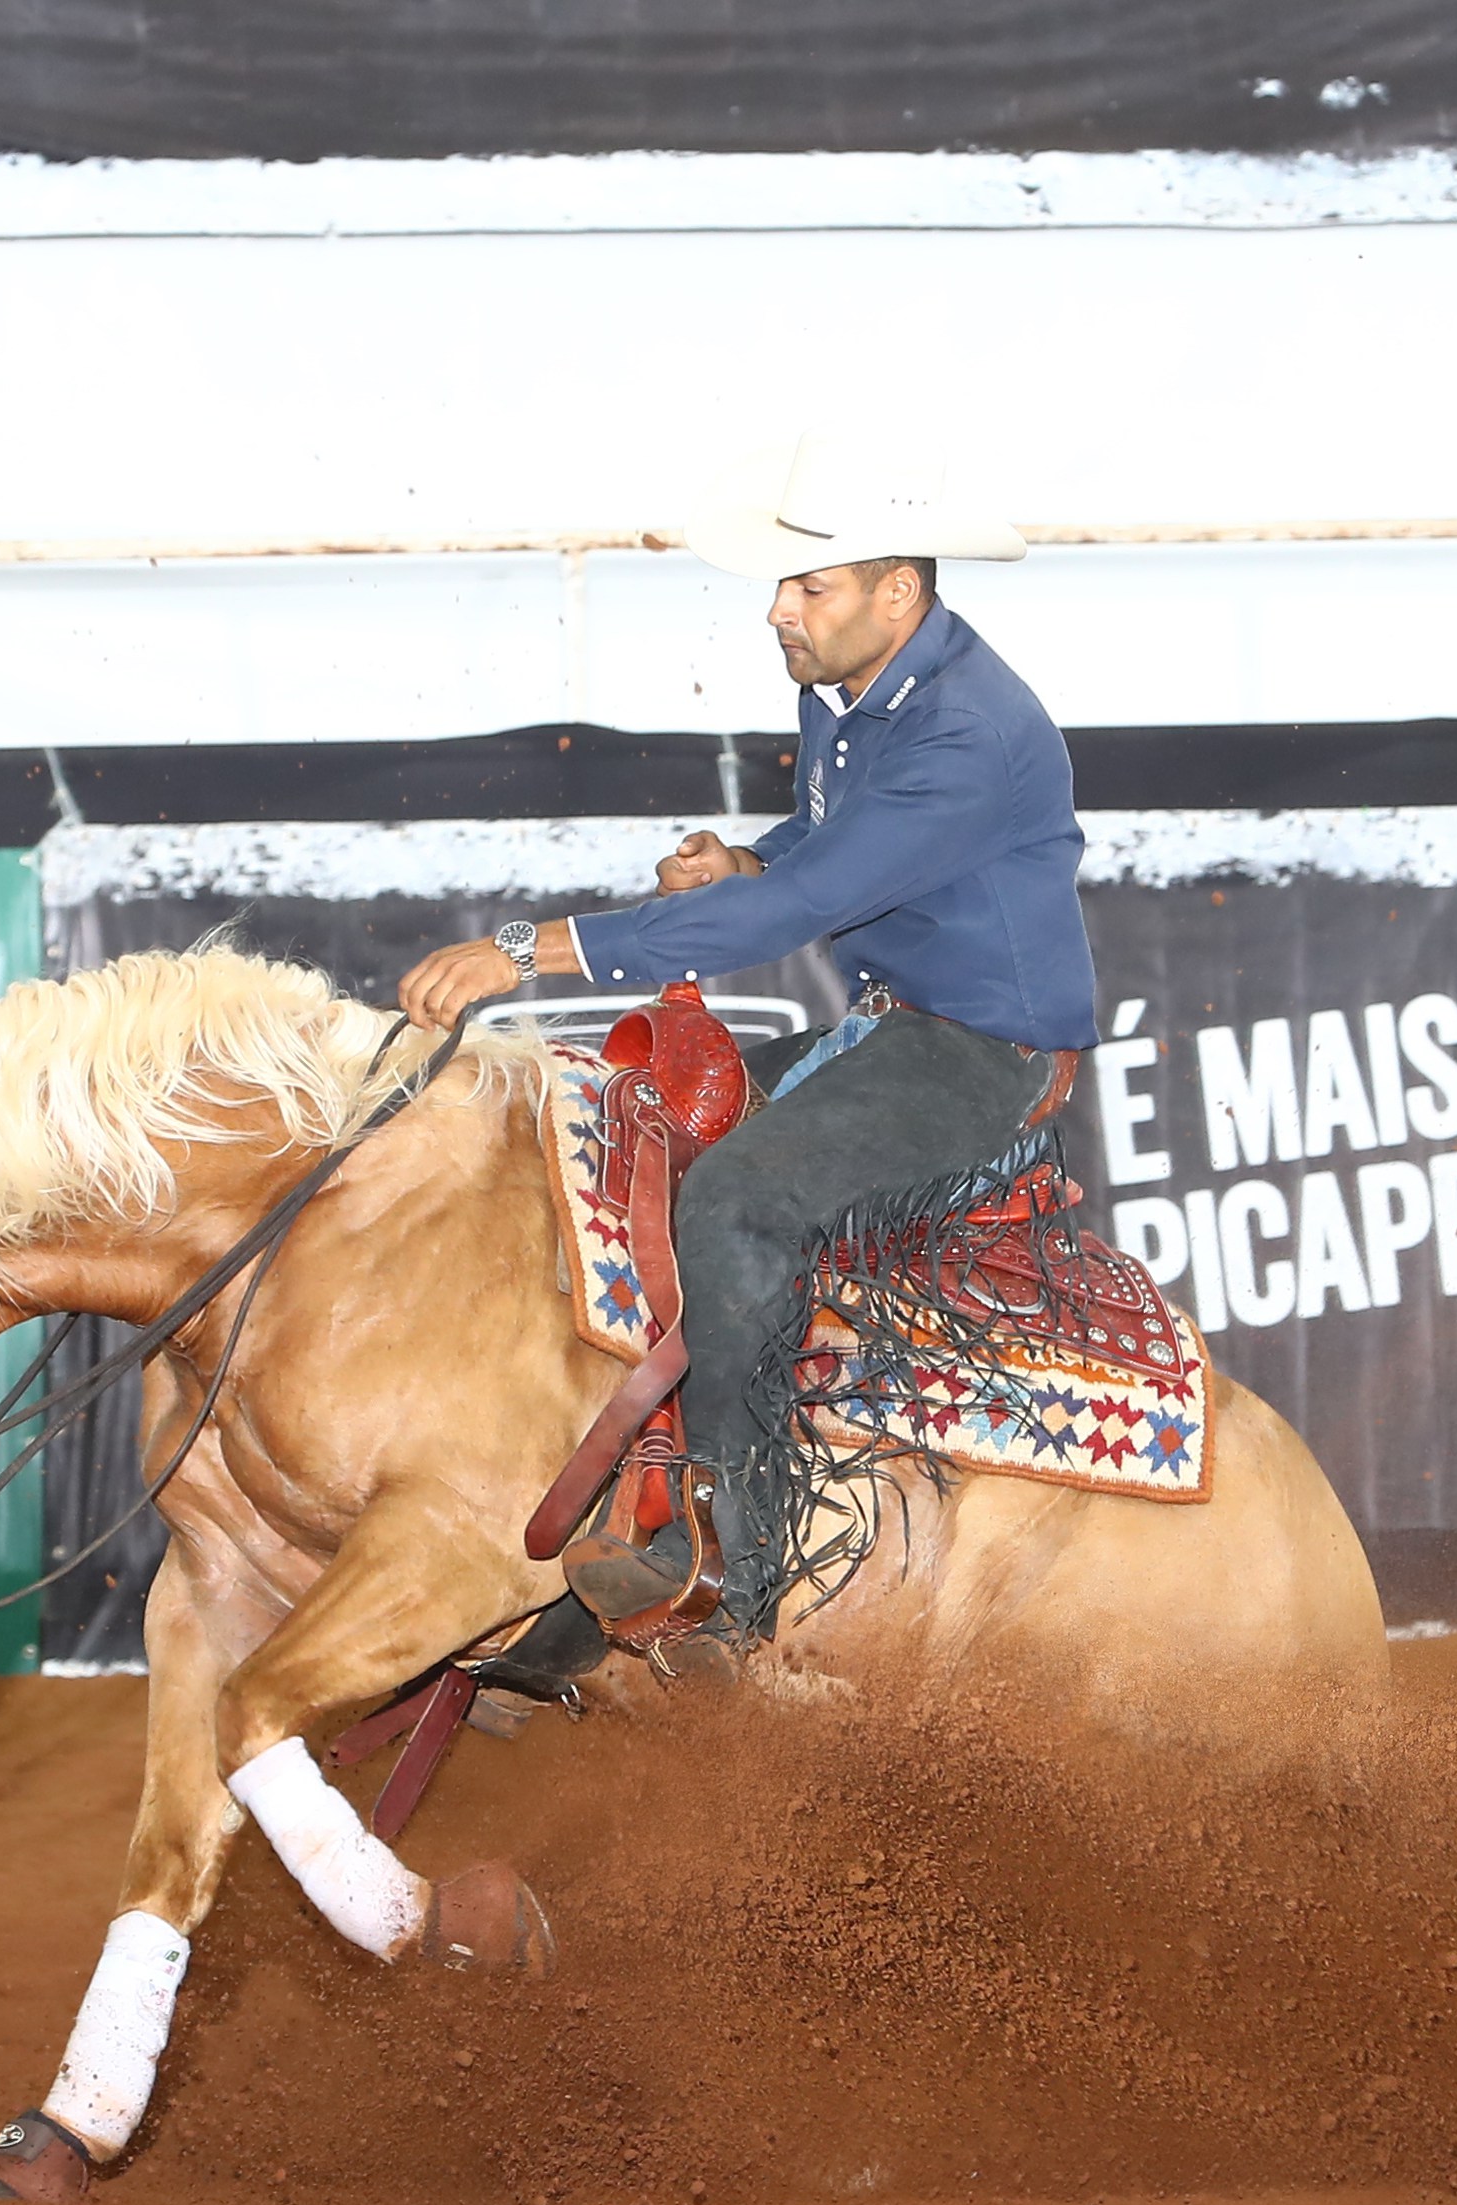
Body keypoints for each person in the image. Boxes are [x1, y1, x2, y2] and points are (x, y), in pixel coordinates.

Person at [399, 430, 1100, 1634]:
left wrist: (525, 950)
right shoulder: (854, 688)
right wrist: (744, 858)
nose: (778, 608)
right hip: (895, 1029)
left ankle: (736, 1575)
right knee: (621, 1129)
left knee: (733, 1205)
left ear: (897, 592)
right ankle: (620, 1486)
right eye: (784, 584)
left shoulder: (968, 733)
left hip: (983, 1059)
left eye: (809, 586)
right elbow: (824, 851)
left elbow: (801, 908)